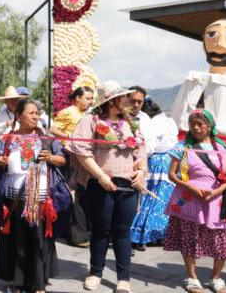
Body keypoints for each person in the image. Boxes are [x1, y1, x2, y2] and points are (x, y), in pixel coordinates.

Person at [67, 81, 147, 293]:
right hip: (101, 183)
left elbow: (140, 150)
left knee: (122, 232)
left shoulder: (130, 123)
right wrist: (101, 176)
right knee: (100, 231)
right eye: (124, 97)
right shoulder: (90, 121)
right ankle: (95, 273)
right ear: (112, 100)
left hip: (127, 184)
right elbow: (82, 152)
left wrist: (141, 170)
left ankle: (124, 278)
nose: (128, 101)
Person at [0, 98, 71, 293]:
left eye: (37, 113)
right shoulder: (7, 139)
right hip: (13, 197)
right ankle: (18, 283)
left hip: (40, 198)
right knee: (17, 238)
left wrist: (50, 158)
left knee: (38, 238)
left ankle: (38, 284)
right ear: (18, 116)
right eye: (31, 113)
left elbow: (63, 160)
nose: (35, 116)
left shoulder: (47, 139)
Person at [170, 19, 226, 201]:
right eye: (211, 35)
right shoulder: (194, 79)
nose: (220, 42)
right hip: (191, 156)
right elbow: (177, 118)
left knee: (225, 208)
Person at [164, 109, 226, 293]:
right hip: (190, 199)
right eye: (192, 124)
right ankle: (192, 277)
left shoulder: (221, 147)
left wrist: (217, 191)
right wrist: (191, 188)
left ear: (210, 126)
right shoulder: (182, 146)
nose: (195, 128)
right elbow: (172, 174)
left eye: (200, 124)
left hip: (216, 201)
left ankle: (216, 278)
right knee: (190, 237)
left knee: (220, 240)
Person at [130, 95, 179, 248]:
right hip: (168, 160)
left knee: (147, 197)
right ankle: (162, 234)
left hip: (153, 160)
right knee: (163, 198)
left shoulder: (150, 123)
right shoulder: (168, 121)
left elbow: (149, 144)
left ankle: (143, 233)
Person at [50, 86, 94, 248]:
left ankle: (73, 231)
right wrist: (69, 136)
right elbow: (53, 129)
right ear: (77, 98)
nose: (90, 102)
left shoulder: (84, 115)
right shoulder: (68, 112)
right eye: (87, 98)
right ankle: (76, 236)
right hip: (69, 155)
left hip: (81, 157)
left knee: (80, 194)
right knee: (73, 195)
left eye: (91, 99)